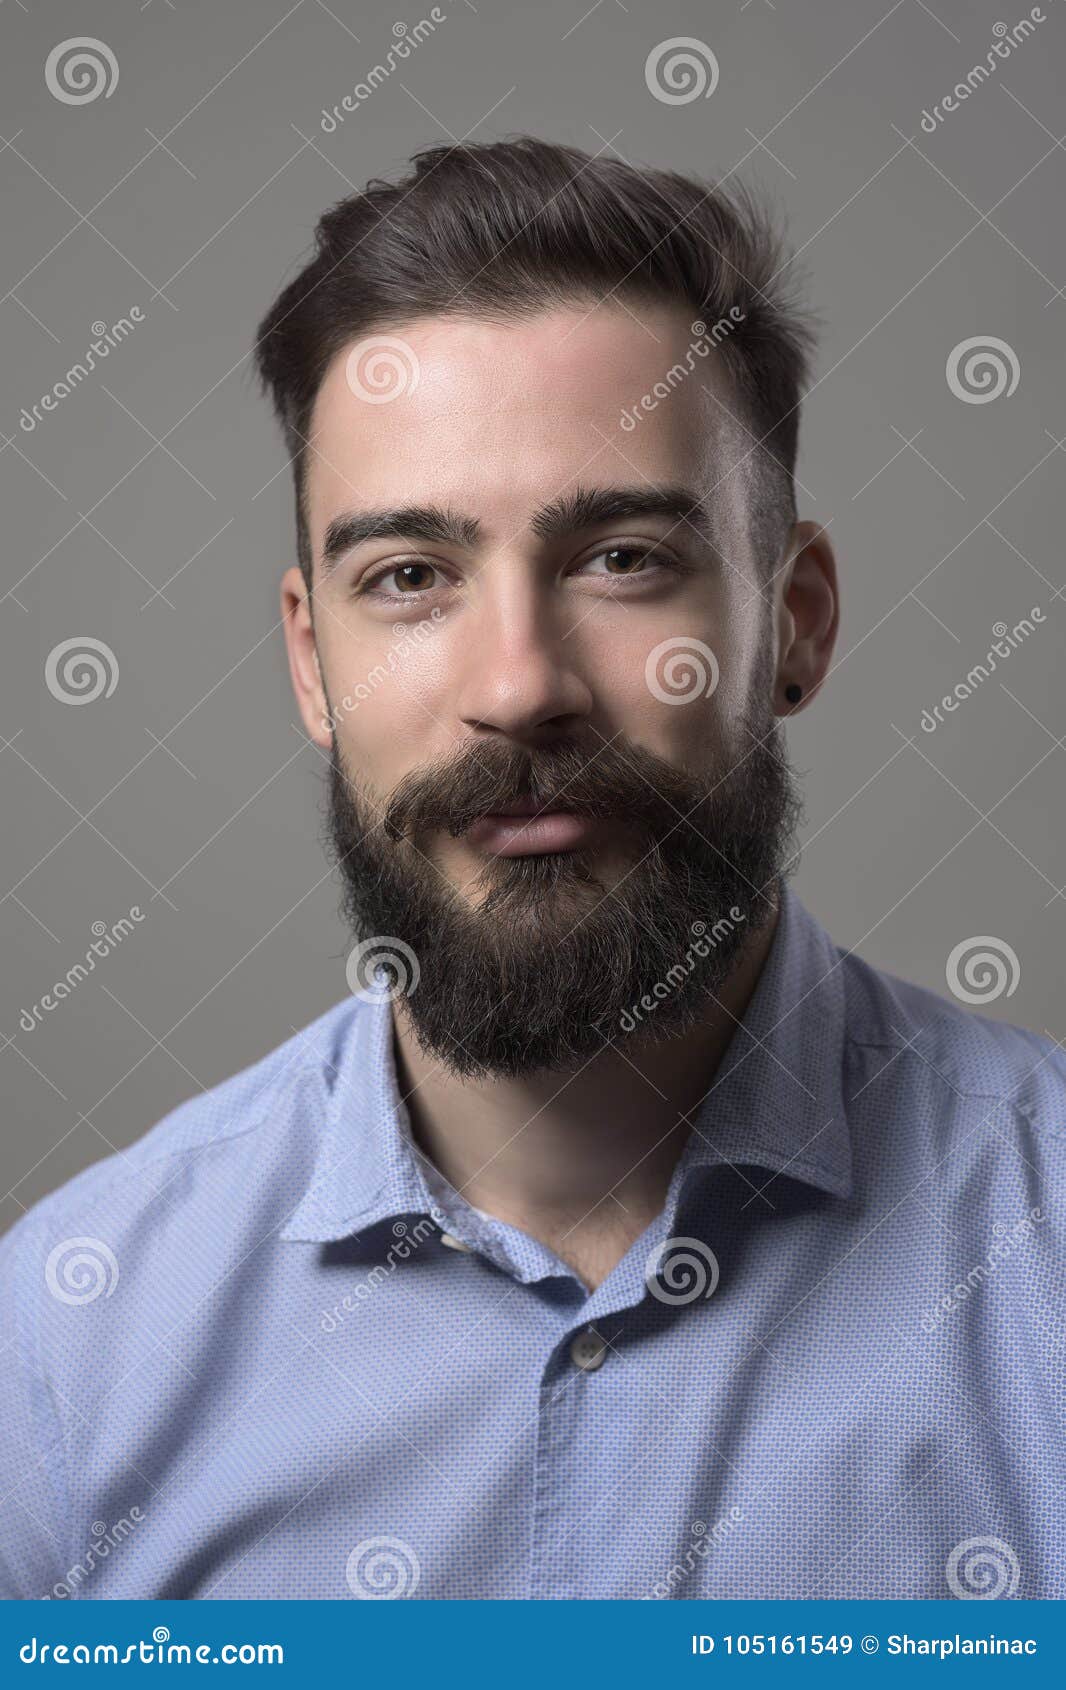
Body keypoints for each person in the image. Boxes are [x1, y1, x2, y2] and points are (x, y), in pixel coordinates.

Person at [1, 138, 1061, 1603]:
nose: (518, 686)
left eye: (622, 557)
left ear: (796, 621)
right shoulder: (62, 1348)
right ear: (312, 661)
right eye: (409, 578)